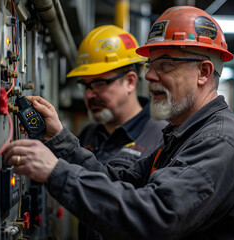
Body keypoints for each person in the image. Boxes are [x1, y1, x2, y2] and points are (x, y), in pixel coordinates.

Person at [4, 6, 234, 240]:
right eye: (150, 64)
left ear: (203, 72)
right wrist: (59, 141)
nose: (150, 76)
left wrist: (55, 172)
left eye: (165, 64)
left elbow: (156, 216)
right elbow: (122, 183)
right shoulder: (182, 135)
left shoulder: (220, 140)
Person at [67, 25, 167, 239]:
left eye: (99, 83)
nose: (90, 95)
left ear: (130, 81)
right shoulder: (89, 135)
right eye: (85, 86)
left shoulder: (162, 137)